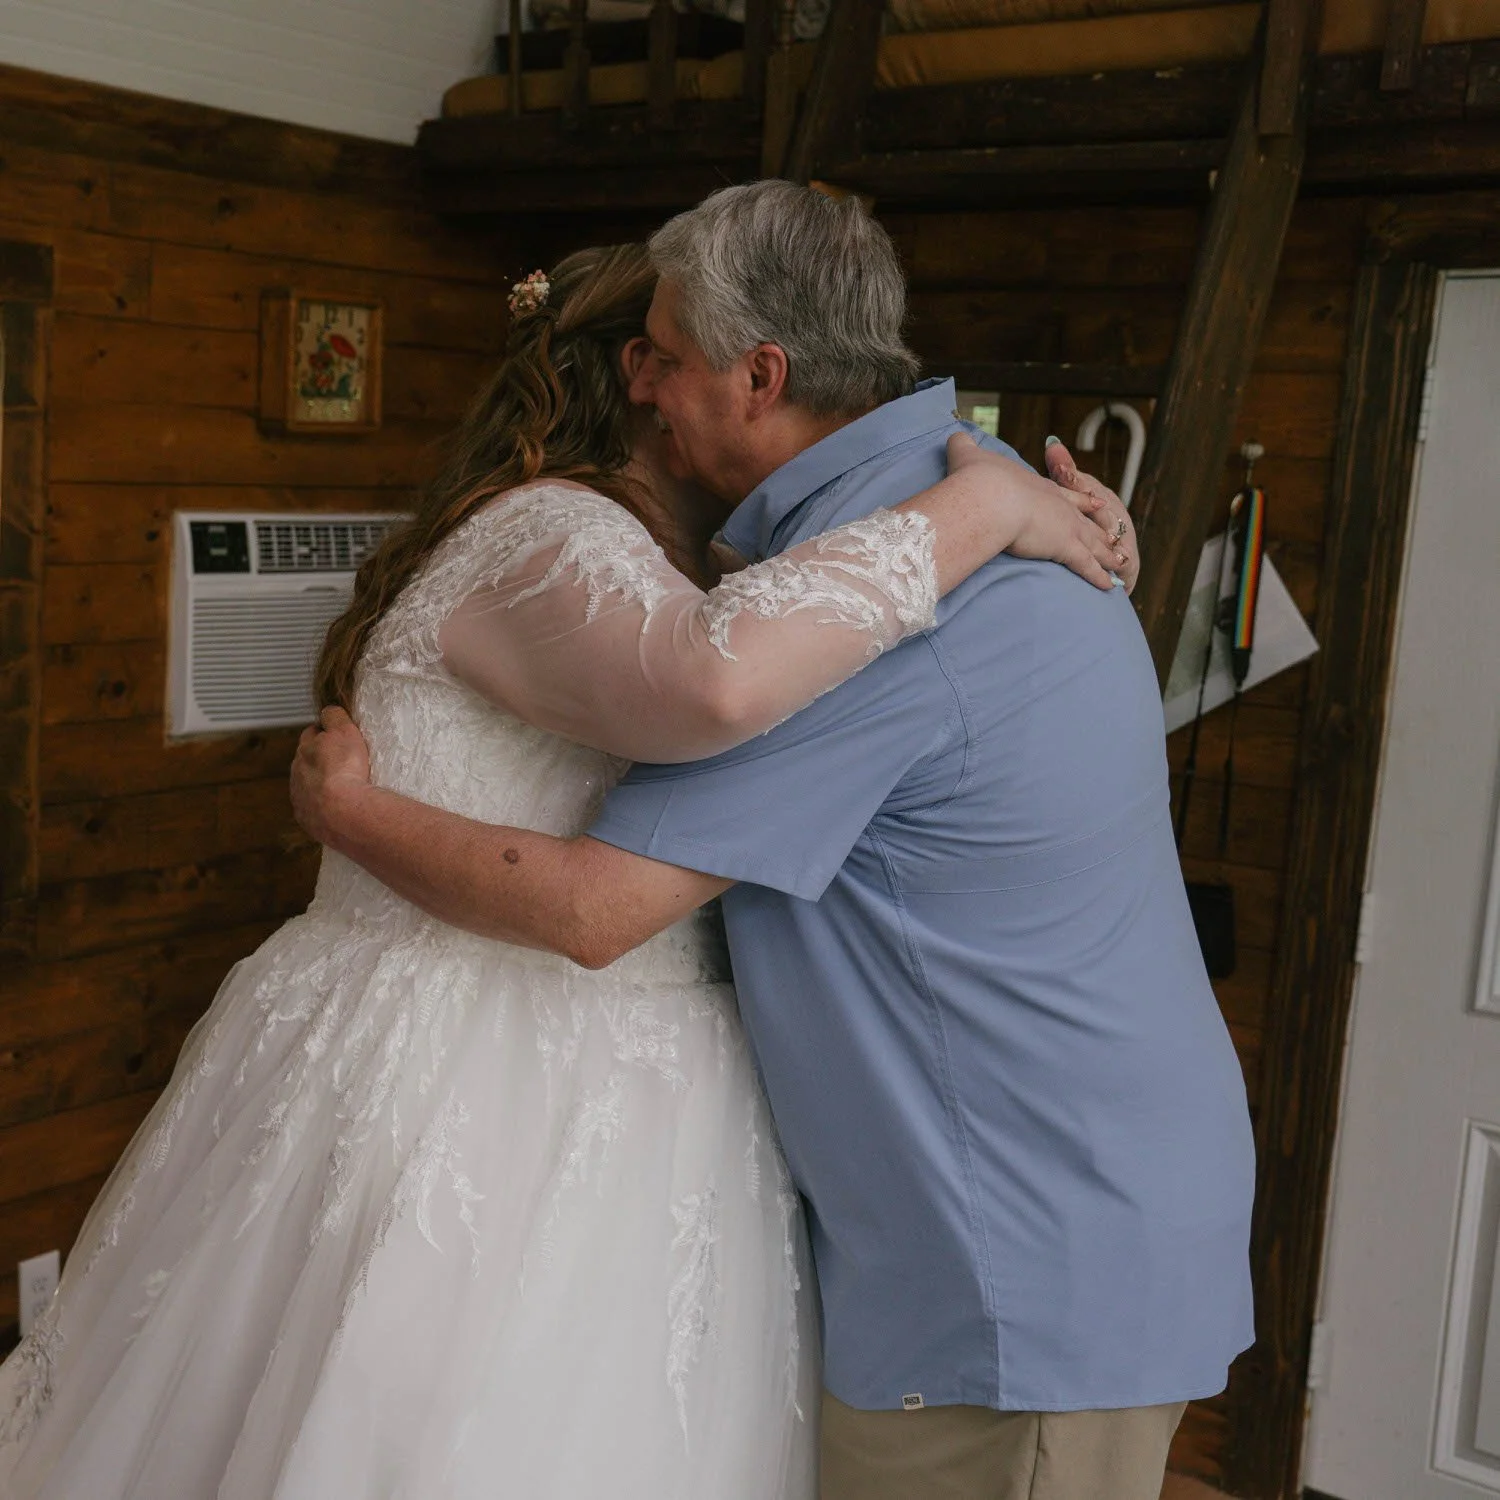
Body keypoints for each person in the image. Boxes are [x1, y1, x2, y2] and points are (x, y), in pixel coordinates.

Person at [0, 240, 1131, 1500]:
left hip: (614, 1086)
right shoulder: (555, 539)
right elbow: (707, 680)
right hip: (479, 1082)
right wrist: (989, 507)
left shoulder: (673, 562)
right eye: (659, 361)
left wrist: (1068, 519)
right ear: (641, 390)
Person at [293, 181, 1257, 1500]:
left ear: (763, 374)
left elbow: (595, 905)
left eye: (669, 358)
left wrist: (349, 812)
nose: (643, 388)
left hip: (1012, 1268)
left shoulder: (886, 604)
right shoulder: (981, 511)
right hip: (1070, 1200)